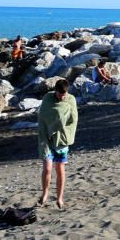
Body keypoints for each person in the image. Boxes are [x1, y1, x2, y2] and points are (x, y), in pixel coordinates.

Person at [37, 79, 78, 210]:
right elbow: (43, 116)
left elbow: (73, 119)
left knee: (60, 169)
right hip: (46, 138)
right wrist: (51, 126)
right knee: (48, 168)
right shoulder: (47, 99)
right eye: (60, 95)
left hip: (62, 139)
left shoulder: (71, 100)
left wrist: (59, 125)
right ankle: (45, 195)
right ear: (55, 91)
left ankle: (59, 198)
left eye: (64, 95)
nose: (62, 97)